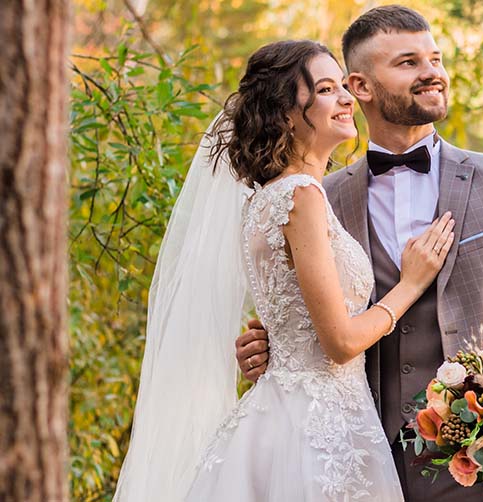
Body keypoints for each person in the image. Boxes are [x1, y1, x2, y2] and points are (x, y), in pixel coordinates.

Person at [235, 6, 483, 500]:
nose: (432, 73)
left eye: (434, 59)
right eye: (408, 63)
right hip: (357, 457)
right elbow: (309, 320)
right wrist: (265, 348)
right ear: (361, 86)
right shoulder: (315, 196)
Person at [114, 39, 455, 501]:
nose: (346, 99)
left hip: (288, 412)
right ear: (288, 113)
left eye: (343, 88)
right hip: (318, 429)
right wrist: (411, 284)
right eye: (328, 90)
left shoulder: (268, 199)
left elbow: (295, 319)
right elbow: (339, 343)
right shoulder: (301, 197)